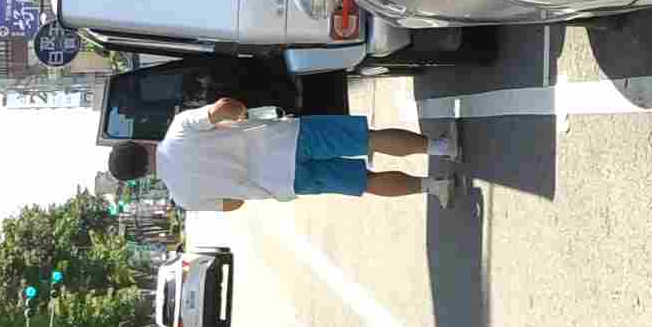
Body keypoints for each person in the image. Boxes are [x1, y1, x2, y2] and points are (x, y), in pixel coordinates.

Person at [109, 100, 462, 209]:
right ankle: (442, 147)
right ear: (140, 144)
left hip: (284, 182)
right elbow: (224, 108)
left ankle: (434, 186)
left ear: (141, 176)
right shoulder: (179, 129)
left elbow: (234, 204)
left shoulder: (184, 198)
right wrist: (240, 113)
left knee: (364, 182)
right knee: (365, 140)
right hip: (286, 139)